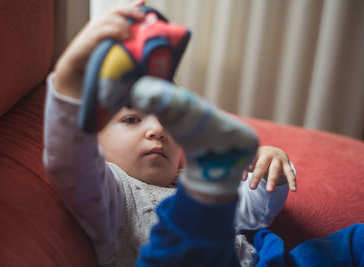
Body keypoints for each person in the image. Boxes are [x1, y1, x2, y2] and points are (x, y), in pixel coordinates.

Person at [43, 1, 297, 266]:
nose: (158, 130)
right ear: (95, 143)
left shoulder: (190, 178)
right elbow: (72, 163)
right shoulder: (112, 193)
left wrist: (268, 169)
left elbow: (255, 211)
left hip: (267, 260)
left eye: (171, 122)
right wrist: (68, 80)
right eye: (131, 119)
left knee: (342, 245)